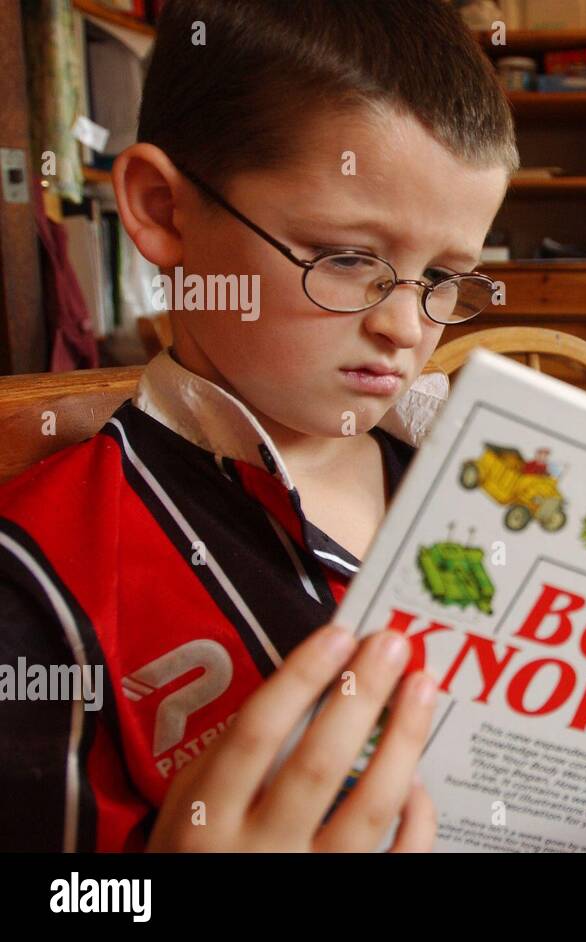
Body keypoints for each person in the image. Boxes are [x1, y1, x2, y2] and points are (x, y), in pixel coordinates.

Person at [0, 0, 516, 851]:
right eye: (348, 258)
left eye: (446, 277)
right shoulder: (44, 575)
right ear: (164, 211)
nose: (408, 326)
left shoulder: (483, 470)